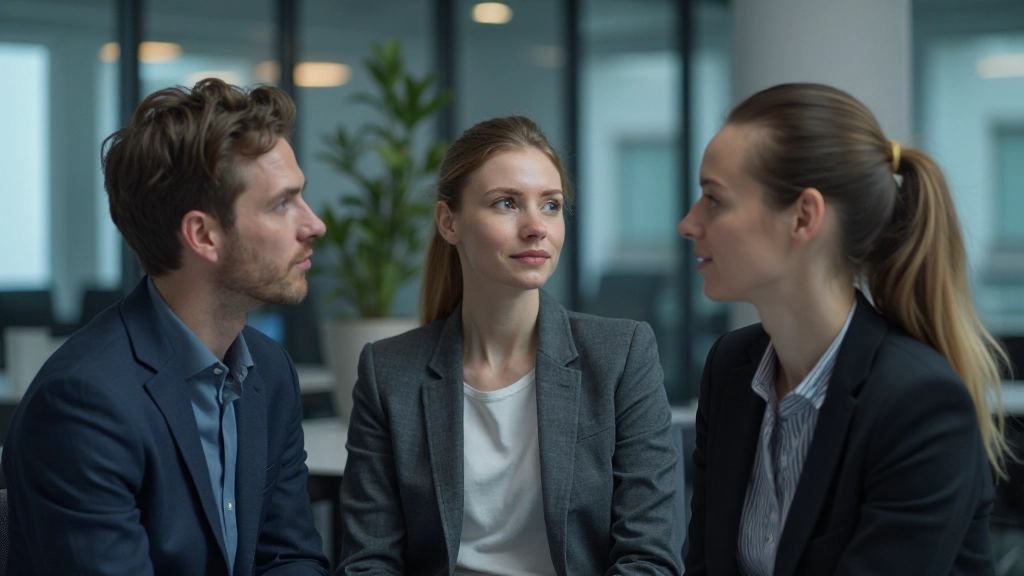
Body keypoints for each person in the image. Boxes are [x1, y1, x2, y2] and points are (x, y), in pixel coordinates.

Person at [2, 79, 330, 575]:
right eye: (282, 204)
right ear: (203, 235)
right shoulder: (83, 403)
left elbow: (289, 557)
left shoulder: (268, 368)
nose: (314, 225)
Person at [679, 83, 1006, 576]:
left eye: (714, 199)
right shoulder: (730, 368)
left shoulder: (919, 404)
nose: (689, 223)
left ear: (803, 217)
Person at [337, 115, 681, 575]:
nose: (536, 227)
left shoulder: (621, 356)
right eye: (506, 203)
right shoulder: (389, 371)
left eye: (551, 205)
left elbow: (649, 559)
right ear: (449, 222)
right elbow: (368, 562)